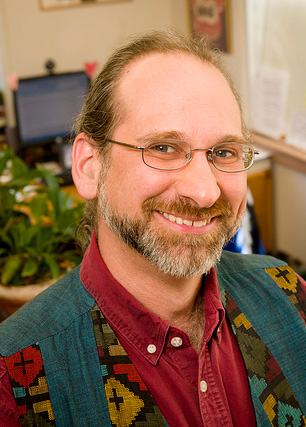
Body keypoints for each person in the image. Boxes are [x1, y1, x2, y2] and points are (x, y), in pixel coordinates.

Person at [1, 29, 306, 427]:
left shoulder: (288, 292)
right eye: (163, 148)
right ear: (90, 167)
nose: (202, 191)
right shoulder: (14, 378)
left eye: (224, 152)